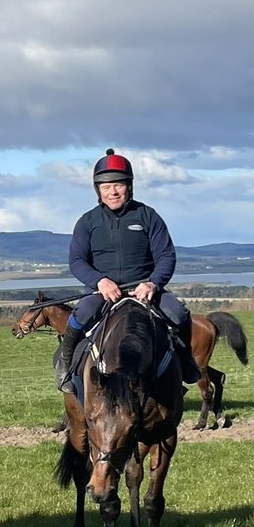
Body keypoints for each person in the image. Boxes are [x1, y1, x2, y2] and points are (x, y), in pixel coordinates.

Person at [54, 149, 199, 393]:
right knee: (82, 313)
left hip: (144, 290)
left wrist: (153, 283)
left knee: (179, 312)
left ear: (129, 186)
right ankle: (66, 363)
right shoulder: (87, 222)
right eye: (106, 186)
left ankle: (186, 363)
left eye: (118, 185)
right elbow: (77, 260)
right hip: (103, 292)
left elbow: (166, 256)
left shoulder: (148, 216)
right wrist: (100, 281)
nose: (113, 191)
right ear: (97, 190)